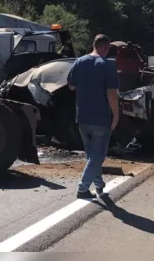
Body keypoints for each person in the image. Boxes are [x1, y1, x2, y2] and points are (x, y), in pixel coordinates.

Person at [67, 34, 120, 199]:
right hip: (101, 117)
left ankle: (98, 185)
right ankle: (83, 188)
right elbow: (112, 94)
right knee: (98, 155)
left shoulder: (79, 62)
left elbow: (70, 86)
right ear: (105, 47)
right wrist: (116, 115)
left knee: (92, 155)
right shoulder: (107, 65)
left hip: (82, 116)